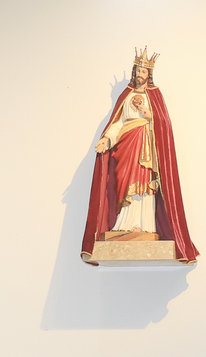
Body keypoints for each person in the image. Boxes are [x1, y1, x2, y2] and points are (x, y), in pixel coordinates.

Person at [82, 48, 198, 264]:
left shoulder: (154, 95)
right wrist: (106, 139)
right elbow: (118, 122)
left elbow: (164, 123)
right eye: (137, 70)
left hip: (145, 145)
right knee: (124, 181)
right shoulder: (125, 96)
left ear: (149, 74)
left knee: (144, 183)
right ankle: (124, 224)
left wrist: (150, 115)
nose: (139, 74)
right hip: (126, 145)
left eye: (143, 71)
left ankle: (145, 225)